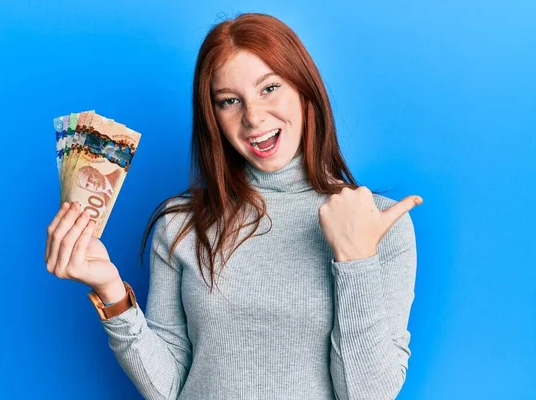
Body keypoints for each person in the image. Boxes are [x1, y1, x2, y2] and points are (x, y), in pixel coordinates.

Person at [45, 12, 423, 400]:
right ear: (214, 118)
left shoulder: (379, 223)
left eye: (269, 88)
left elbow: (367, 395)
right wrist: (111, 294)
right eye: (229, 101)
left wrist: (355, 260)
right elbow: (170, 388)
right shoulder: (181, 224)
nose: (254, 117)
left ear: (305, 91)